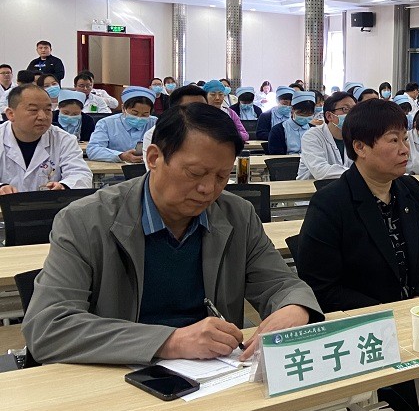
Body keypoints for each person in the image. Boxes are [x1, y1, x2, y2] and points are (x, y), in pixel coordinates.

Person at [23, 102, 322, 368]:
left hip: (214, 373)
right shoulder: (85, 220)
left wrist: (294, 308)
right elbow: (49, 326)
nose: (208, 189)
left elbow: (281, 284)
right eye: (195, 173)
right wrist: (172, 341)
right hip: (119, 373)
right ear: (154, 157)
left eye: (222, 176)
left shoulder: (237, 214)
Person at [295, 99, 419, 411]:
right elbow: (321, 287)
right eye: (393, 140)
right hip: (366, 331)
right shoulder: (331, 203)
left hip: (418, 320)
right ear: (360, 147)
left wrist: (418, 300)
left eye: (405, 139)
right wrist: (390, 314)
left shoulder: (410, 190)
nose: (405, 149)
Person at [0, 84, 92, 193]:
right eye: (33, 110)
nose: (43, 117)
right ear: (11, 114)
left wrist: (64, 186)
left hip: (52, 202)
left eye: (48, 110)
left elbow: (80, 174)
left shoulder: (64, 140)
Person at [86, 86, 157, 163]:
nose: (139, 118)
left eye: (145, 114)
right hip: (115, 169)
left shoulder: (155, 123)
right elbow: (93, 150)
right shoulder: (106, 123)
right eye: (134, 113)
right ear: (123, 108)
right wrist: (121, 156)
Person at [142, 84, 209, 165]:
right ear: (174, 110)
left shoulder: (215, 131)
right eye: (191, 108)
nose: (198, 112)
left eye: (203, 107)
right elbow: (153, 168)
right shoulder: (155, 133)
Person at [297, 91, 355, 180]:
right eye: (345, 109)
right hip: (311, 187)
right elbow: (320, 171)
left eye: (354, 109)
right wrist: (357, 174)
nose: (352, 114)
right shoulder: (312, 136)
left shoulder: (355, 137)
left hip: (343, 185)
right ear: (329, 116)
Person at [269, 90, 322, 155]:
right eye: (301, 114)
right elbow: (276, 156)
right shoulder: (278, 130)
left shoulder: (313, 129)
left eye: (309, 115)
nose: (305, 117)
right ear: (292, 109)